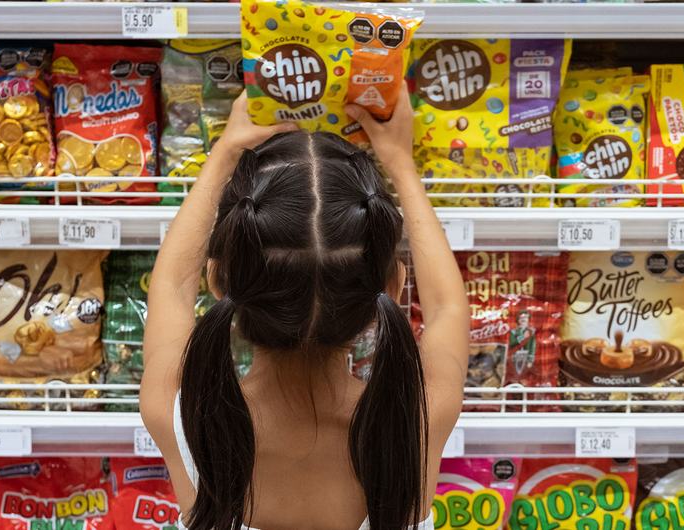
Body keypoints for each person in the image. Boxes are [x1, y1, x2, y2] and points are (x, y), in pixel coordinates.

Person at [140, 90, 469, 530]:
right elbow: (447, 308)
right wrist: (400, 164)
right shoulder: (418, 423)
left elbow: (172, 287)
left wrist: (223, 155)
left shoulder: (182, 418)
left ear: (218, 281)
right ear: (393, 285)